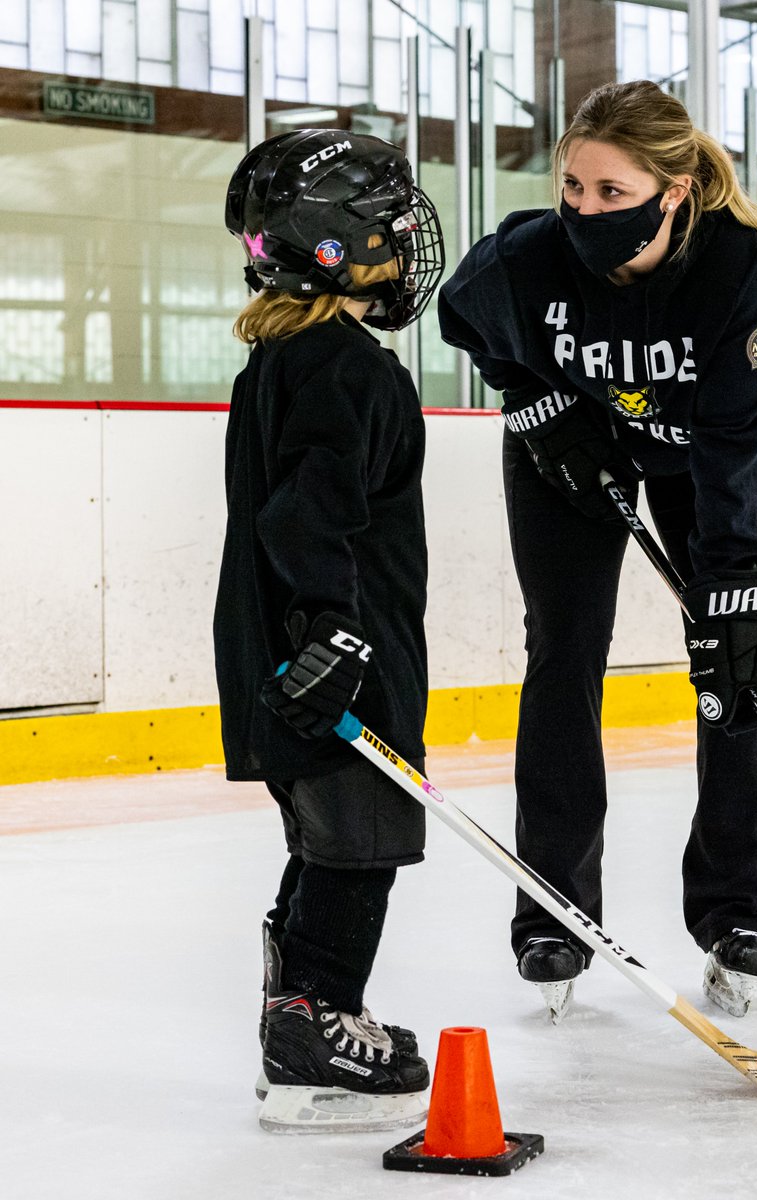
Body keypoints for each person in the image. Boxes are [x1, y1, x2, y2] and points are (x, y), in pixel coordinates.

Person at [438, 80, 757, 1021]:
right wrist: (537, 404)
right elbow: (462, 315)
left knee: (734, 664)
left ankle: (740, 910)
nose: (585, 210)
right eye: (573, 187)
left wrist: (739, 588)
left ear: (674, 191)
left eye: (611, 192)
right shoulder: (527, 255)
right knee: (563, 652)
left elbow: (734, 439)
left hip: (695, 460)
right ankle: (553, 911)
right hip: (567, 453)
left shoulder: (731, 262)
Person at [214, 128, 445, 1132]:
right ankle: (315, 1021)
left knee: (328, 841)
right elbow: (309, 515)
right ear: (334, 245)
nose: (409, 243)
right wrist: (335, 634)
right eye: (391, 226)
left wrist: (311, 638)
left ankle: (303, 1012)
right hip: (340, 656)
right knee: (361, 842)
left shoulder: (281, 360)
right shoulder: (348, 367)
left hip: (287, 656)